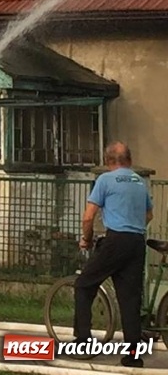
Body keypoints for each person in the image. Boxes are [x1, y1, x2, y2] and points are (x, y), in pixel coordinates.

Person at [72, 141, 153, 368]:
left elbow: (88, 217)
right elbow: (149, 214)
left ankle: (83, 341)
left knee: (84, 284)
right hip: (137, 242)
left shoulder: (105, 180)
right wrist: (132, 223)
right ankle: (133, 356)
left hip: (115, 240)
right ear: (129, 160)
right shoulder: (139, 182)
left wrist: (86, 240)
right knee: (130, 300)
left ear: (108, 161)